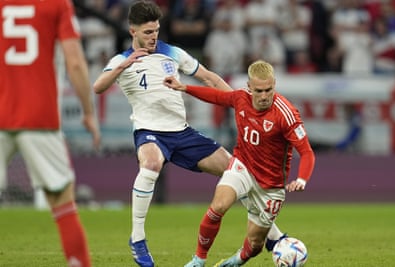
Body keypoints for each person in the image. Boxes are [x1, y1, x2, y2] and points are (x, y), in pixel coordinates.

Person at [93, 2, 287, 267]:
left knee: (237, 169)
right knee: (150, 164)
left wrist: (239, 102)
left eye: (157, 30)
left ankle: (274, 236)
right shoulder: (120, 61)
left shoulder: (172, 53)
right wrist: (123, 65)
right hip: (150, 132)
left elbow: (208, 77)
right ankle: (137, 239)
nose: (154, 37)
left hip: (182, 133)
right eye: (148, 32)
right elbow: (98, 87)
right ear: (133, 31)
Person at [164, 60, 316, 267]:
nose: (263, 96)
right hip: (242, 166)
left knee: (255, 244)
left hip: (270, 187)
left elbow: (307, 152)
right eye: (259, 91)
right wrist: (184, 87)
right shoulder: (241, 98)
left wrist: (302, 179)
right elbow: (218, 97)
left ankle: (237, 260)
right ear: (249, 86)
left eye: (268, 90)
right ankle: (199, 260)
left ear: (275, 84)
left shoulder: (286, 114)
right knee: (218, 206)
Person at [0, 1, 101, 266]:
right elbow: (76, 62)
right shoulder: (56, 3)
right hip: (39, 115)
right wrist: (88, 112)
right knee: (62, 201)